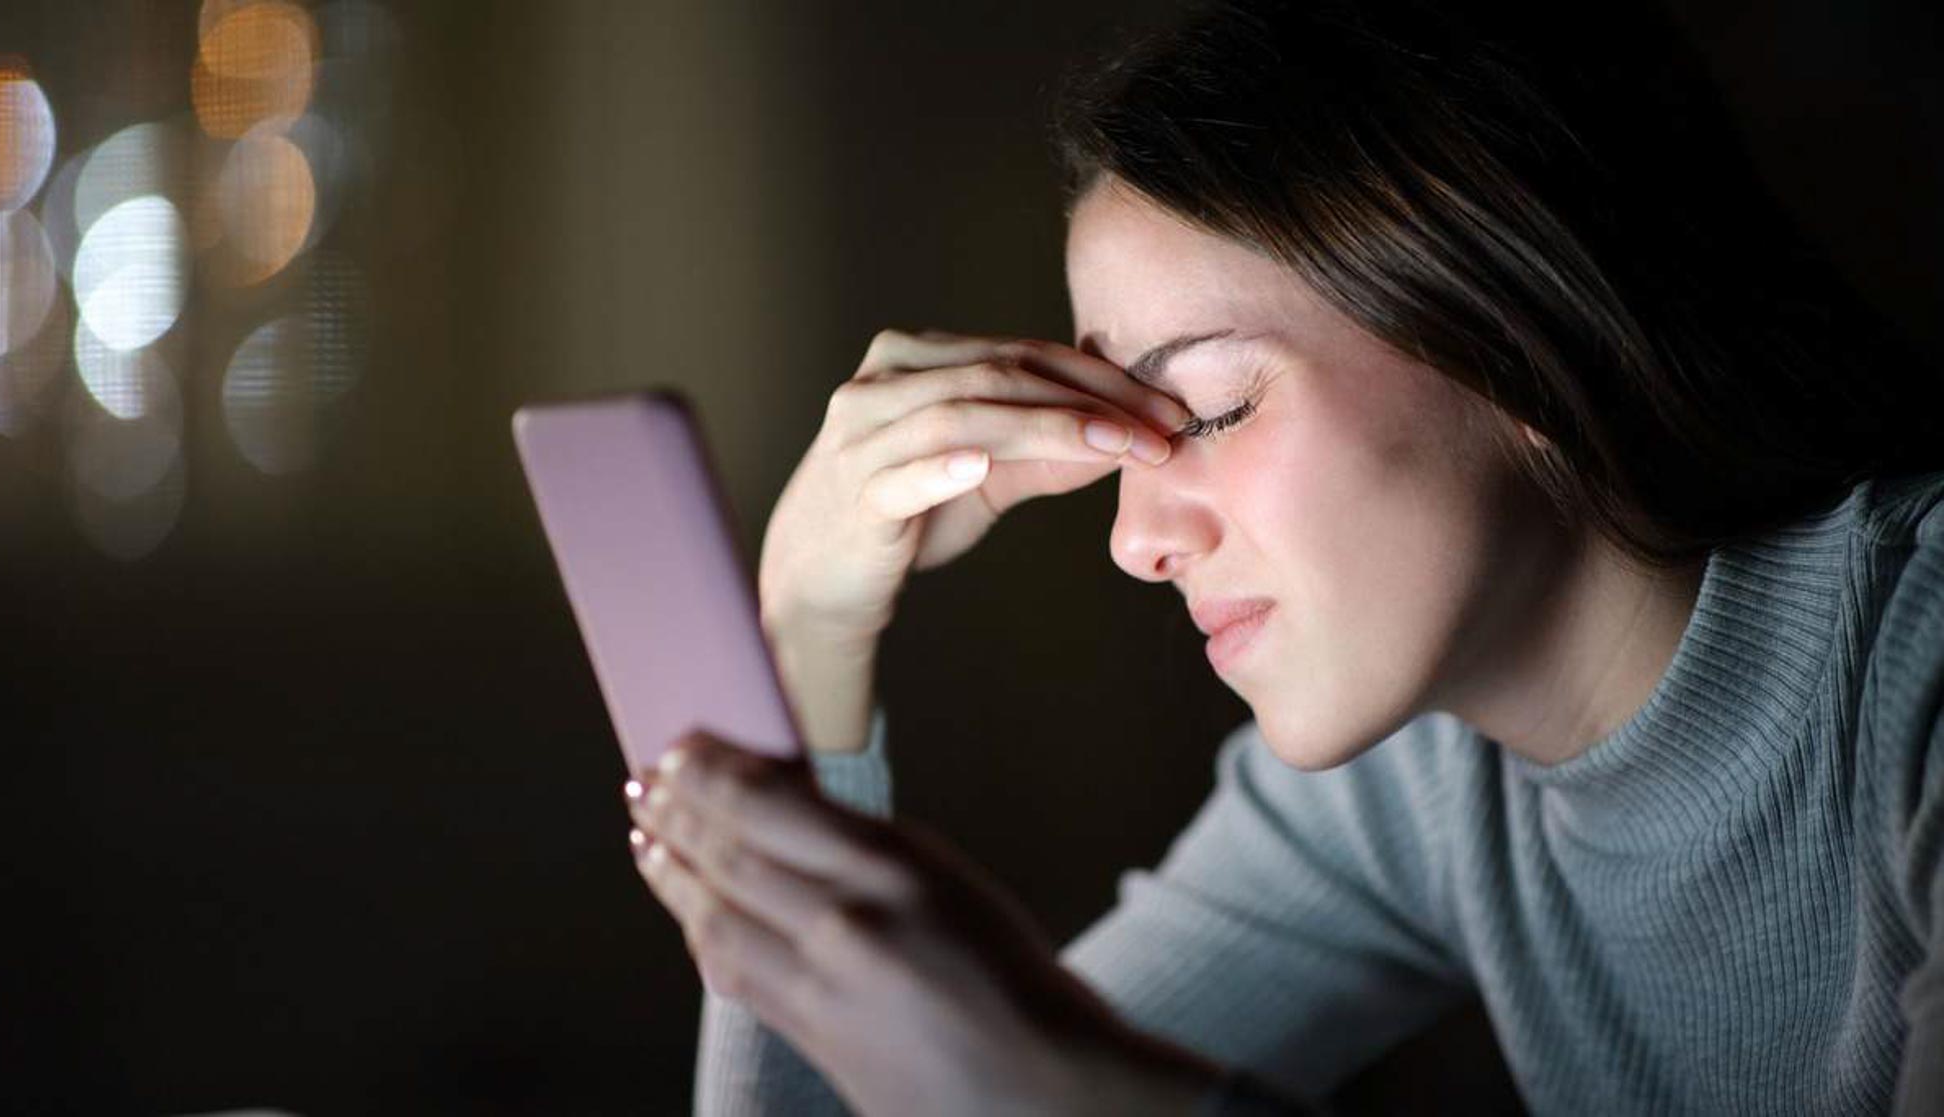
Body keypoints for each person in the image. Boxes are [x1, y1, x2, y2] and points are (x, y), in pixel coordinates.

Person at [621, 0, 1944, 1111]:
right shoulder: (1420, 784)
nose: (1135, 542)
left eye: (1203, 408)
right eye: (1123, 438)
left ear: (1522, 339)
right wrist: (800, 637)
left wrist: (1070, 1087)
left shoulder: (1919, 671)